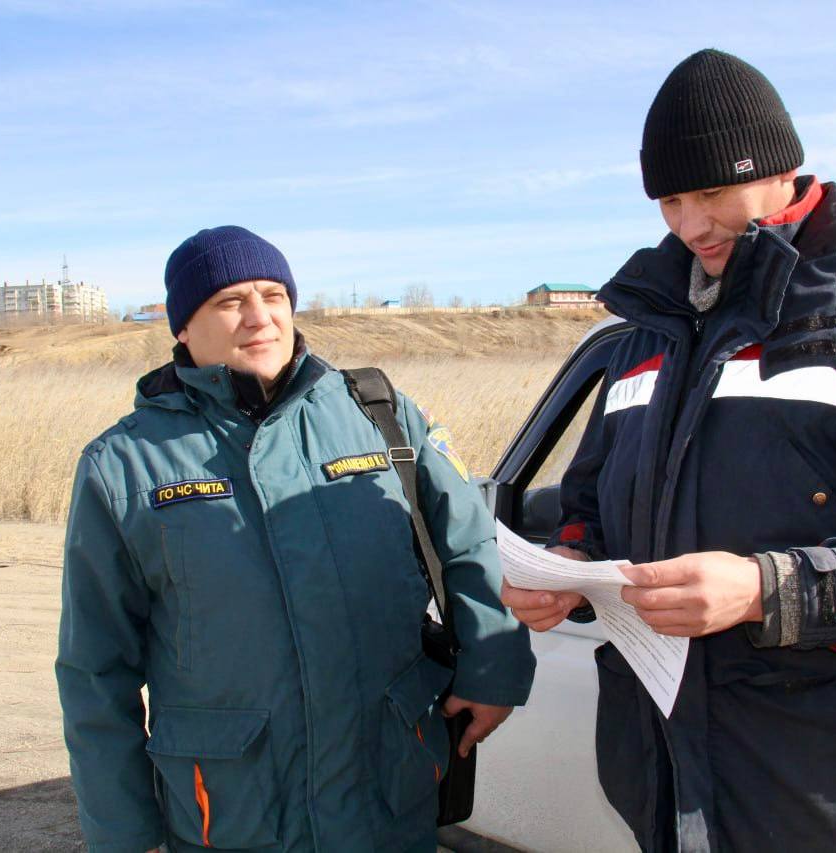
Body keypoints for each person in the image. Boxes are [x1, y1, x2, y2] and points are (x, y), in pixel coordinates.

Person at [502, 49, 836, 851]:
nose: (690, 225)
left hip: (822, 801)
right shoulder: (646, 335)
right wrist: (568, 567)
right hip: (665, 781)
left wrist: (764, 589)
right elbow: (590, 508)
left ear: (781, 170)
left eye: (713, 192)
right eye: (670, 200)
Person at [56, 226, 534, 853]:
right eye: (230, 301)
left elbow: (469, 543)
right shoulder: (123, 465)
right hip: (231, 811)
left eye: (274, 295)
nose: (260, 317)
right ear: (183, 328)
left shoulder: (377, 413)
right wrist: (123, 834)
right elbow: (95, 667)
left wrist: (494, 672)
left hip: (389, 788)